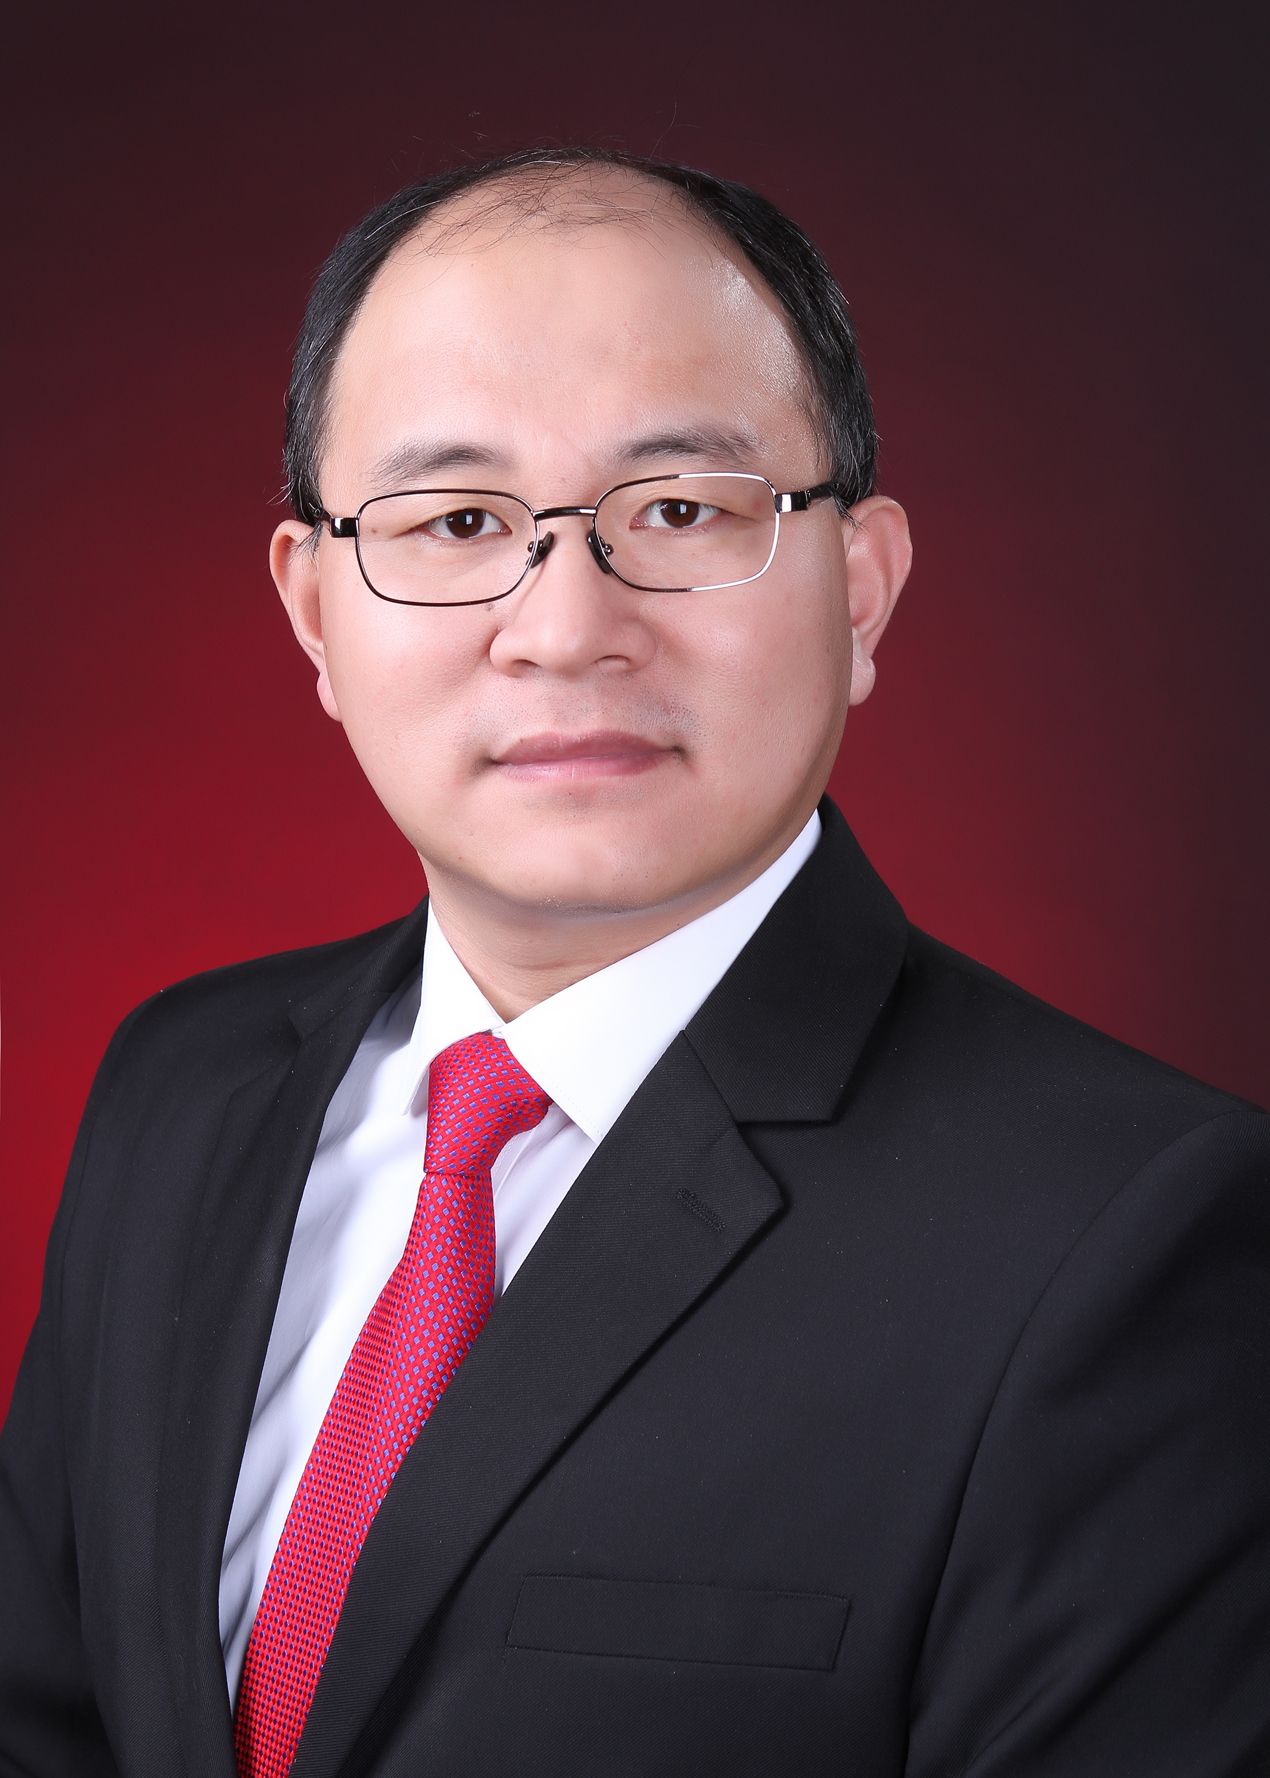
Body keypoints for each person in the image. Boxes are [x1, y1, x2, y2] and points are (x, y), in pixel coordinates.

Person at [1, 144, 1266, 1778]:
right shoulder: (182, 1089)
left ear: (861, 588)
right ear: (315, 614)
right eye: (458, 520)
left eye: (678, 509)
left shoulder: (1135, 1238)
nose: (563, 627)